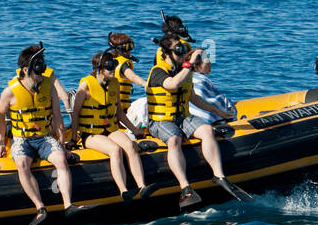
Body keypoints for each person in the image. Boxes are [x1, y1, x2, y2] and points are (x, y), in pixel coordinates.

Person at [145, 35, 250, 208]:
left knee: (207, 131)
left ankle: (219, 176)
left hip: (183, 117)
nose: (182, 55)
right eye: (178, 51)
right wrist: (188, 64)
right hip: (160, 121)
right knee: (175, 139)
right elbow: (172, 85)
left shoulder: (183, 71)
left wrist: (217, 111)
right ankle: (185, 187)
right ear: (166, 54)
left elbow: (193, 97)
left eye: (183, 51)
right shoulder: (158, 71)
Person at [0, 45, 84, 225]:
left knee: (60, 159)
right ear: (25, 70)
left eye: (42, 66)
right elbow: (0, 117)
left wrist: (62, 142)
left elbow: (57, 117)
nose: (40, 73)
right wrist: (1, 143)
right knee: (21, 164)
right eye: (36, 68)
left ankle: (68, 205)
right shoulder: (9, 92)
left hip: (43, 137)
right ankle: (40, 207)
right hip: (22, 139)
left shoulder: (48, 87)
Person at [69, 52, 150, 201]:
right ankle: (124, 191)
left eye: (114, 65)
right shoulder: (86, 85)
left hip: (110, 129)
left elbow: (119, 113)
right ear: (100, 68)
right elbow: (75, 114)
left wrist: (135, 130)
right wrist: (74, 139)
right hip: (91, 134)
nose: (114, 69)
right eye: (110, 67)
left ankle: (142, 186)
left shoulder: (114, 84)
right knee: (115, 150)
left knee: (130, 146)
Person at [106, 33, 149, 125]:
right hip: (121, 109)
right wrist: (145, 84)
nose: (129, 51)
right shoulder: (123, 64)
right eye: (128, 47)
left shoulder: (109, 62)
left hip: (110, 107)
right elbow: (132, 76)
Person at [188, 53, 238, 125]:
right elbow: (215, 101)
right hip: (204, 120)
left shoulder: (186, 77)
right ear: (195, 65)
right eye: (206, 61)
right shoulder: (201, 80)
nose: (210, 64)